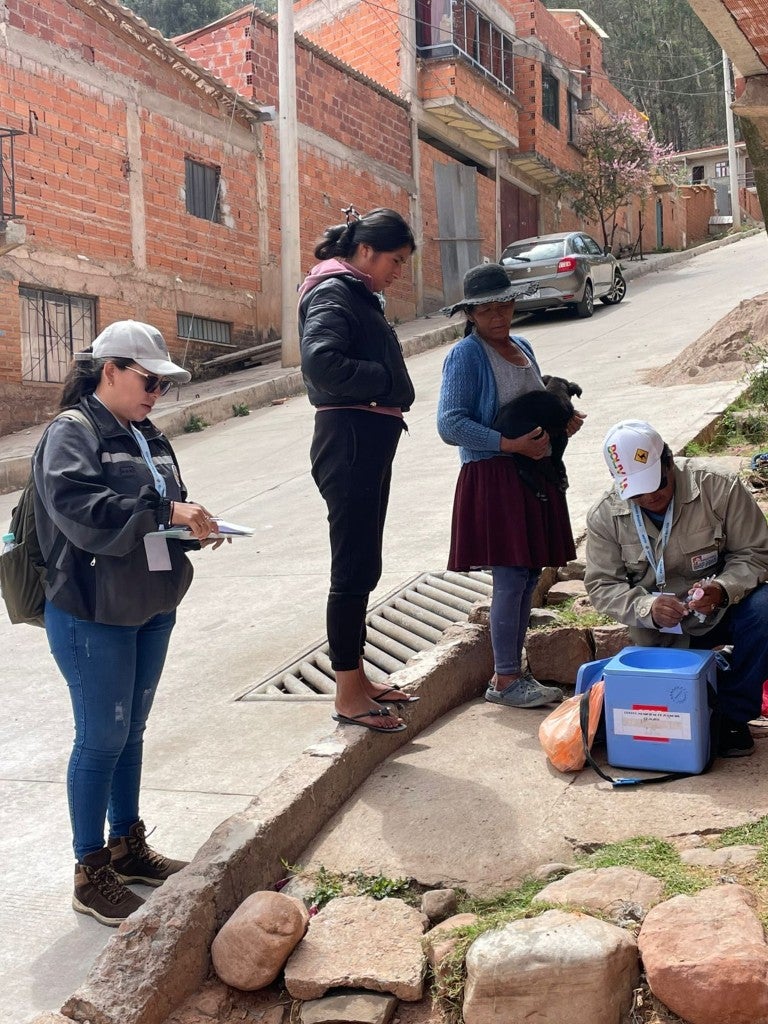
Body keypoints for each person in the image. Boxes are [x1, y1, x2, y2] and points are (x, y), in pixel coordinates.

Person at [33, 320, 223, 926]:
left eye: (163, 387)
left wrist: (191, 528)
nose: (156, 395)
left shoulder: (146, 434)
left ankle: (128, 847)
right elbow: (79, 508)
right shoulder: (72, 432)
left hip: (149, 604)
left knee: (131, 731)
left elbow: (157, 511)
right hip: (94, 609)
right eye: (148, 381)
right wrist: (164, 509)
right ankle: (90, 871)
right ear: (109, 369)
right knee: (101, 737)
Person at [437, 263, 585, 709]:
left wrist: (563, 424)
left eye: (504, 305)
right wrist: (509, 444)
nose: (498, 316)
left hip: (530, 472)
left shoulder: (523, 345)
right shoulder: (465, 355)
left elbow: (534, 403)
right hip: (495, 475)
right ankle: (504, 680)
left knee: (527, 576)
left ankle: (513, 673)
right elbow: (450, 424)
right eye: (486, 310)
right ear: (471, 314)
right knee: (509, 577)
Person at [299, 207, 418, 734]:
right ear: (365, 251)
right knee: (351, 569)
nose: (398, 272)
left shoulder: (352, 291)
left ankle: (358, 675)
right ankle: (348, 694)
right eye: (395, 260)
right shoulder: (332, 291)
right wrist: (386, 379)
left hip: (365, 440)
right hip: (349, 440)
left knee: (364, 564)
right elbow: (320, 365)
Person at [585, 419, 768, 757]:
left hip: (722, 611)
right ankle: (712, 686)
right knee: (664, 714)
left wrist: (723, 589)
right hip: (658, 630)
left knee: (766, 609)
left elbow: (755, 553)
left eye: (657, 483)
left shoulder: (718, 487)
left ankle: (732, 715)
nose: (650, 496)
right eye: (636, 493)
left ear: (669, 461)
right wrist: (646, 608)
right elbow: (601, 585)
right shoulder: (605, 515)